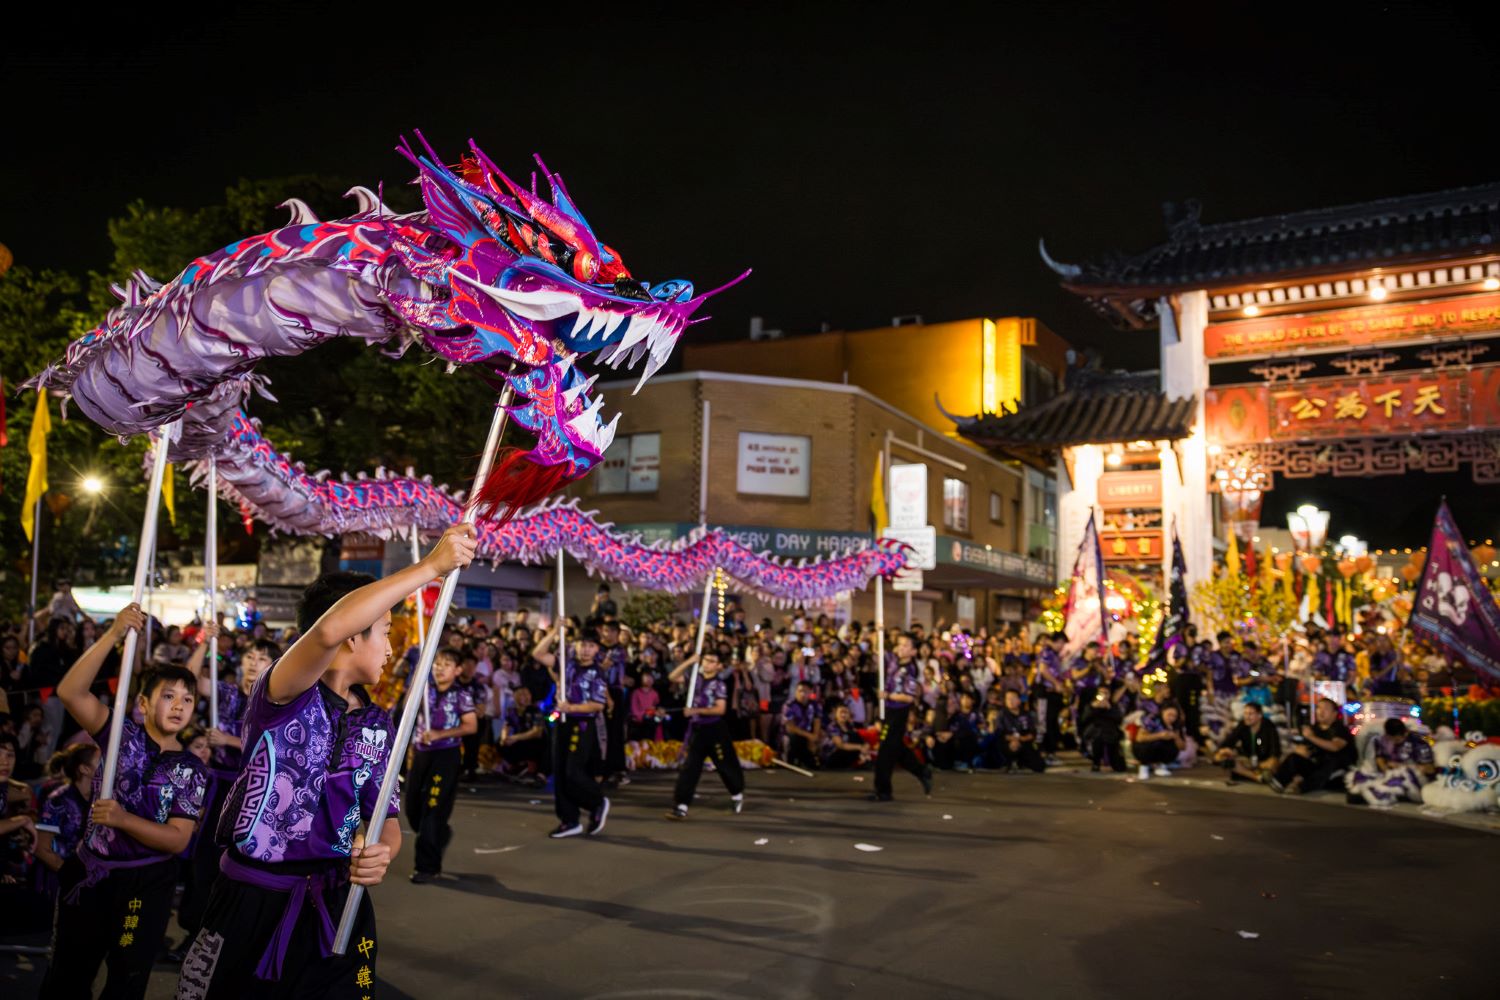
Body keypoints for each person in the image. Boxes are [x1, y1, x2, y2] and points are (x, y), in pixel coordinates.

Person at [177, 525, 473, 999]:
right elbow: (328, 630)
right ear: (353, 636)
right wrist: (430, 568)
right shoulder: (283, 692)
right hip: (254, 900)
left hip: (338, 903)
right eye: (383, 630)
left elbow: (386, 817)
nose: (393, 647)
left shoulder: (378, 723)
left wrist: (381, 853)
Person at [42, 604, 209, 1000]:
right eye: (168, 696)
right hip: (90, 876)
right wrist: (115, 633)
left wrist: (122, 819)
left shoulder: (191, 768)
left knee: (127, 981)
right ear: (144, 704)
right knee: (67, 975)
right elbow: (69, 691)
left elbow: (176, 839)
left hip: (146, 885)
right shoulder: (120, 734)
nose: (179, 705)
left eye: (187, 699)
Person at [531, 623, 611, 839]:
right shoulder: (566, 664)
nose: (585, 649)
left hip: (582, 724)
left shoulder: (597, 673)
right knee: (560, 773)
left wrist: (572, 707)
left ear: (597, 650)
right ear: (575, 645)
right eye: (582, 644)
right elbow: (538, 653)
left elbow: (598, 705)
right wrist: (555, 630)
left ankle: (597, 802)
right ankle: (569, 820)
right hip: (562, 722)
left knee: (573, 771)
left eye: (590, 646)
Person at [407, 648, 477, 883]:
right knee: (413, 807)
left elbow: (470, 726)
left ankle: (427, 866)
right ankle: (438, 835)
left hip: (446, 755)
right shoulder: (424, 690)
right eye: (437, 663)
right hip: (421, 754)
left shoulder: (462, 695)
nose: (439, 667)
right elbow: (406, 713)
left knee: (433, 809)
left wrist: (440, 734)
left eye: (446, 664)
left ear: (457, 670)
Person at [665, 650, 746, 820]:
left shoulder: (719, 684)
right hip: (697, 730)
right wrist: (689, 662)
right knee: (690, 767)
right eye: (705, 660)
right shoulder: (695, 678)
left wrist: (695, 710)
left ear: (718, 666)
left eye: (711, 661)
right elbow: (672, 677)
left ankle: (737, 793)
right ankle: (681, 805)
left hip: (715, 729)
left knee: (725, 764)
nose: (706, 663)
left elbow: (720, 709)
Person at [872, 633, 933, 802]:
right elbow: (878, 651)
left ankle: (883, 790)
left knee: (885, 751)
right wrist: (879, 633)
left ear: (913, 651)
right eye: (899, 644)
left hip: (898, 712)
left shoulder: (910, 670)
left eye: (905, 645)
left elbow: (909, 697)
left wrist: (888, 696)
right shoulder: (893, 660)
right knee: (895, 748)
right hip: (888, 710)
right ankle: (921, 771)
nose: (900, 647)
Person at [35, 743, 100, 895]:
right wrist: (67, 872)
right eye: (101, 760)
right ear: (85, 769)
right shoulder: (59, 800)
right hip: (55, 881)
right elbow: (40, 848)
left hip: (83, 881)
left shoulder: (98, 799)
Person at [1269, 697, 1356, 795]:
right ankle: (1278, 781)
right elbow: (1303, 749)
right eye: (1319, 708)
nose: (1321, 712)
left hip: (1337, 773)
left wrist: (1311, 737)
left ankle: (1302, 787)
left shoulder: (1340, 728)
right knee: (1294, 758)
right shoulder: (1314, 728)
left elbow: (1335, 747)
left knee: (1332, 760)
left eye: (1326, 709)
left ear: (1334, 713)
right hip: (1318, 770)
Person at [1344, 718, 1435, 806]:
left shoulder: (1418, 743)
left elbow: (1429, 769)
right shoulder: (1384, 740)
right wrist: (1386, 769)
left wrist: (1402, 766)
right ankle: (1367, 791)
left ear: (1405, 733)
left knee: (1401, 777)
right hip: (1387, 773)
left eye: (1398, 739)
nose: (1395, 742)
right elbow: (1380, 758)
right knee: (1361, 774)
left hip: (1411, 777)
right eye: (1392, 739)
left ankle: (1376, 794)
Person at [1213, 702, 1281, 784]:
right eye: (1245, 713)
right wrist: (1222, 751)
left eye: (1250, 714)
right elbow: (1229, 741)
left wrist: (1263, 764)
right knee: (1226, 759)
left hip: (1264, 762)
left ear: (1259, 715)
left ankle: (1252, 775)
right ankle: (1257, 777)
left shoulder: (1269, 727)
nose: (1247, 717)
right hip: (1249, 761)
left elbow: (1275, 752)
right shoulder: (1243, 725)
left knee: (1272, 764)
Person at [498, 686, 545, 782]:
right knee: (500, 743)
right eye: (522, 694)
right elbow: (506, 726)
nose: (525, 697)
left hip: (531, 740)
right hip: (518, 738)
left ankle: (531, 769)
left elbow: (537, 732)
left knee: (532, 745)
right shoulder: (511, 711)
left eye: (527, 694)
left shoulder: (535, 710)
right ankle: (514, 766)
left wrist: (516, 737)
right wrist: (504, 738)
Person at [992, 688, 1046, 773]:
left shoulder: (1026, 714)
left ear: (1019, 700)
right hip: (1008, 742)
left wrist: (1023, 738)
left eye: (1013, 698)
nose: (1010, 701)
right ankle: (1009, 763)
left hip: (1024, 741)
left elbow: (1032, 732)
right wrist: (1013, 739)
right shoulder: (1002, 714)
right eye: (1008, 699)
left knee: (1040, 766)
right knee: (1011, 746)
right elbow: (999, 732)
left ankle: (1022, 762)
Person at [1131, 702, 1187, 779]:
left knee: (1172, 747)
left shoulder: (1176, 724)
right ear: (1163, 711)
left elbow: (1183, 747)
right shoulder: (1152, 719)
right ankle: (1144, 766)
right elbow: (1139, 738)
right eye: (1169, 714)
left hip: (1161, 750)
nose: (1171, 718)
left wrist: (1176, 737)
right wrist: (1159, 735)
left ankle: (1161, 766)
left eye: (1174, 716)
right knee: (1145, 746)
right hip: (1144, 748)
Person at [934, 691, 983, 772]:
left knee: (967, 737)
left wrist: (953, 734)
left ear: (973, 701)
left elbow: (977, 729)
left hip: (972, 740)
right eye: (963, 698)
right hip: (955, 740)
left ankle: (967, 763)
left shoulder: (976, 714)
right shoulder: (956, 715)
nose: (965, 700)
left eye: (968, 698)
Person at [781, 681, 822, 769]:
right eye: (800, 691)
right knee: (793, 738)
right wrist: (809, 736)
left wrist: (814, 737)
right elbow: (790, 728)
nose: (802, 694)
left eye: (806, 691)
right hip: (793, 735)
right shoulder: (789, 705)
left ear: (811, 692)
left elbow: (817, 721)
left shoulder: (814, 705)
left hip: (808, 735)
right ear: (796, 691)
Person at [821, 704, 872, 769]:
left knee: (857, 738)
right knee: (856, 745)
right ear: (836, 714)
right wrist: (860, 747)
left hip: (844, 754)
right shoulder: (832, 726)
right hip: (832, 755)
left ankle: (865, 760)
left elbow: (859, 739)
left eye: (846, 712)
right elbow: (840, 745)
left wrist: (865, 745)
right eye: (841, 712)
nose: (843, 715)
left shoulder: (849, 726)